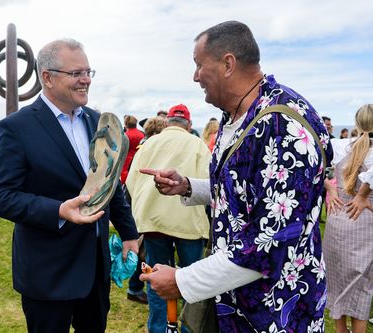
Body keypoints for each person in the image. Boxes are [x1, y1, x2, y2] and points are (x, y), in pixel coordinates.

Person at [139, 21, 333, 332]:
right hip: (236, 302)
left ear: (228, 63)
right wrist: (188, 186)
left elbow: (269, 240)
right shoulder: (239, 115)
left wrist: (182, 280)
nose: (195, 76)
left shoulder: (281, 125)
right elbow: (247, 192)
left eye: (199, 65)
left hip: (274, 310)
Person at [0, 38, 139, 333]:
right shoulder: (17, 128)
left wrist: (129, 232)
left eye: (88, 72)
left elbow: (110, 184)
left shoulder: (98, 121)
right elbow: (1, 196)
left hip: (95, 270)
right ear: (48, 77)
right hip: (48, 273)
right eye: (76, 73)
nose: (85, 80)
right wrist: (58, 210)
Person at [126, 103, 211, 333]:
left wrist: (146, 207)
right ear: (189, 124)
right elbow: (210, 183)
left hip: (154, 222)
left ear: (168, 122)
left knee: (156, 280)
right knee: (192, 281)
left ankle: (158, 329)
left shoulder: (149, 143)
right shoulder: (198, 145)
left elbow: (132, 182)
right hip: (189, 224)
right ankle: (187, 329)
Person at [323, 104, 373, 333]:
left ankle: (340, 331)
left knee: (338, 280)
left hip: (338, 219)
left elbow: (312, 160)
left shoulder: (340, 146)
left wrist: (329, 186)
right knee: (363, 285)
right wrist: (362, 194)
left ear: (357, 123)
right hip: (366, 219)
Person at [126, 116, 167, 305]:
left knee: (142, 248)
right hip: (148, 205)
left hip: (139, 201)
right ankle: (135, 287)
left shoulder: (144, 144)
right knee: (143, 250)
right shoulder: (153, 147)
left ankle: (134, 286)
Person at [121, 115, 145, 184]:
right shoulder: (142, 134)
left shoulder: (125, 135)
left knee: (126, 181)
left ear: (126, 124)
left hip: (126, 161)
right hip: (139, 159)